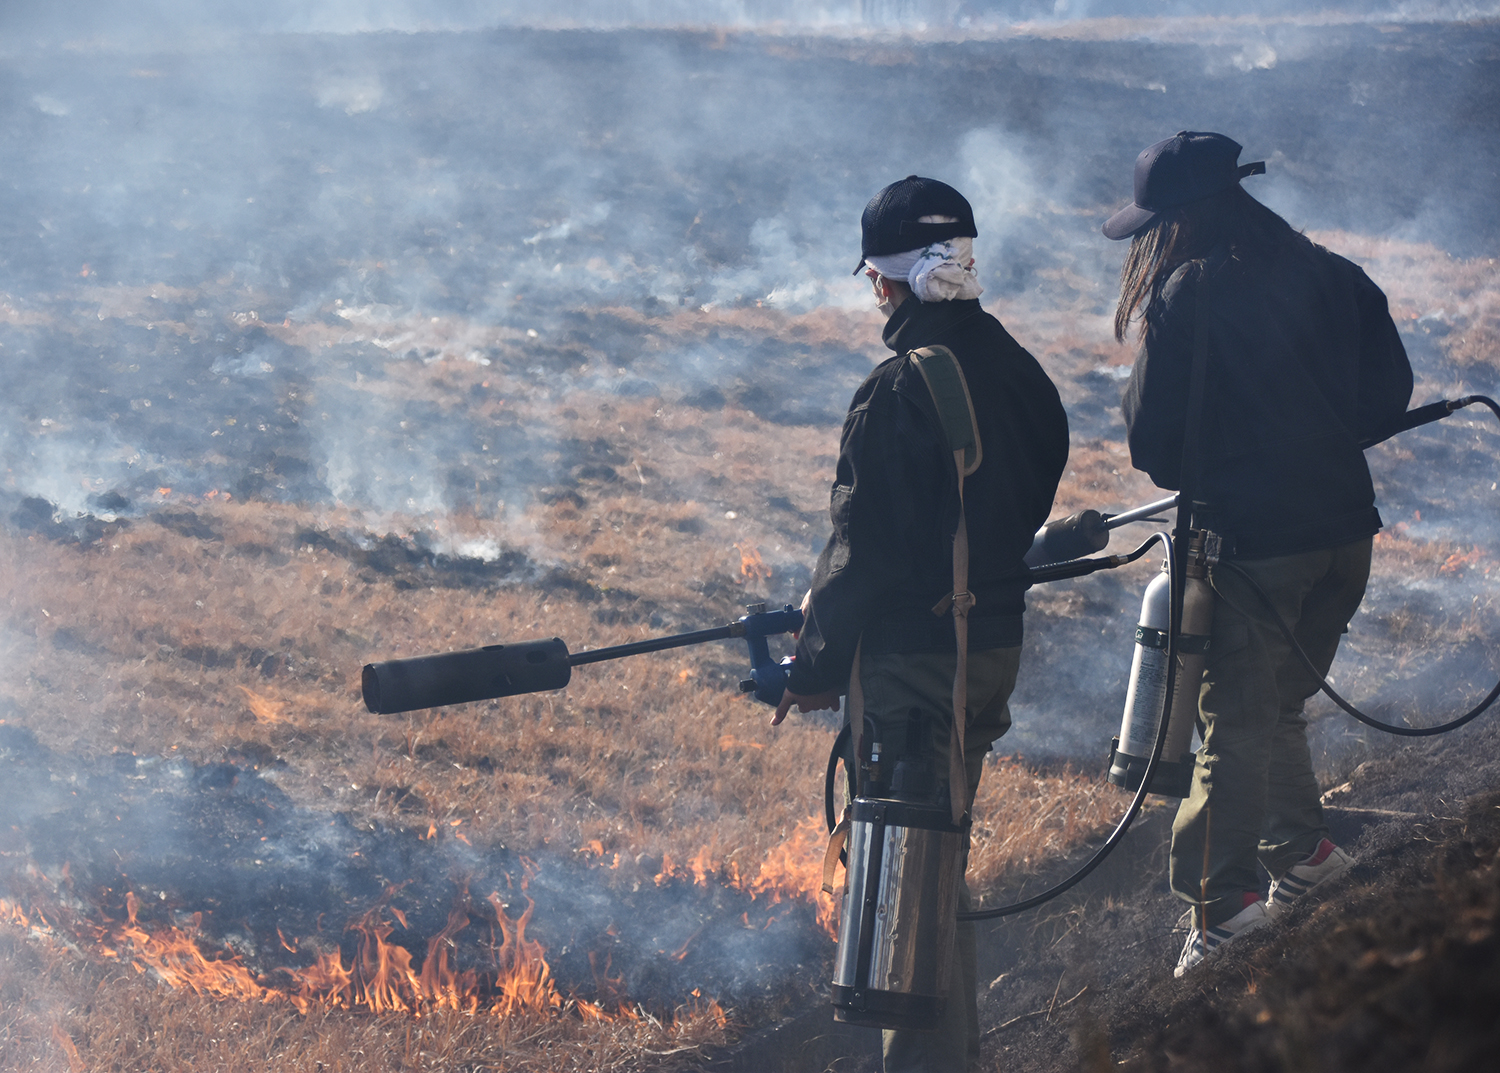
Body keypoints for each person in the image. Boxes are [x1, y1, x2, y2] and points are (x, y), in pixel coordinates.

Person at [772, 175, 1069, 1072]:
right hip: (992, 648)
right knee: (939, 847)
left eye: (873, 280)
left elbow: (864, 554)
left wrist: (812, 667)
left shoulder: (897, 390)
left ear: (892, 280)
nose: (873, 296)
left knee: (909, 868)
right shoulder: (1021, 369)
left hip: (916, 664)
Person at [1103, 131, 1413, 976]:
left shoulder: (1186, 295)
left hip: (1258, 550)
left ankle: (1224, 904)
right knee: (1276, 703)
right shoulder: (1331, 272)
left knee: (1231, 722)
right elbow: (1388, 395)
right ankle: (1305, 854)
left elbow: (1153, 444)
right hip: (1347, 537)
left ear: (1183, 219)